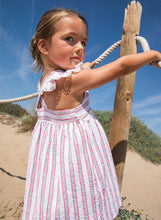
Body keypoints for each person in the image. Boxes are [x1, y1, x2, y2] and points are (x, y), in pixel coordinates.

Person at [22, 8, 161, 220]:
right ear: (44, 46)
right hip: (78, 158)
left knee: (56, 198)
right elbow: (122, 66)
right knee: (83, 203)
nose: (79, 47)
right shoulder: (69, 83)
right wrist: (152, 55)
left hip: (56, 159)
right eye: (70, 39)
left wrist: (83, 67)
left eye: (83, 43)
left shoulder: (48, 81)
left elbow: (74, 75)